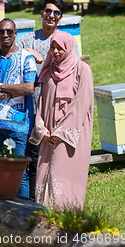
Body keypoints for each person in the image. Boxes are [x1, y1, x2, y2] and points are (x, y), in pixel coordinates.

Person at [15, 0, 80, 201]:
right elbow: (10, 52)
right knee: (31, 158)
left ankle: (54, 199)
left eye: (56, 13)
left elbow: (73, 70)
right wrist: (28, 50)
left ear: (60, 18)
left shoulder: (66, 41)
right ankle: (32, 201)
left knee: (51, 158)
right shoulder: (27, 39)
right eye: (48, 11)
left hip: (54, 111)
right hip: (29, 108)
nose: (51, 16)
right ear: (42, 13)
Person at [29, 31, 93, 210]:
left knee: (62, 175)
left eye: (60, 48)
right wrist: (42, 130)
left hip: (71, 135)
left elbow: (82, 102)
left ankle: (67, 220)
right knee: (44, 174)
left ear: (69, 48)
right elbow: (42, 102)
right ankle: (44, 219)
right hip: (49, 136)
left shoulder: (82, 69)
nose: (55, 52)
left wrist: (62, 132)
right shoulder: (48, 72)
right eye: (52, 48)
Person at [0, 18, 37, 199]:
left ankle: (23, 214)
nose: (5, 35)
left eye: (9, 31)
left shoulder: (26, 58)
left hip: (19, 125)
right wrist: (9, 93)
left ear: (15, 34)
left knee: (20, 173)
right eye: (2, 32)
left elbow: (28, 88)